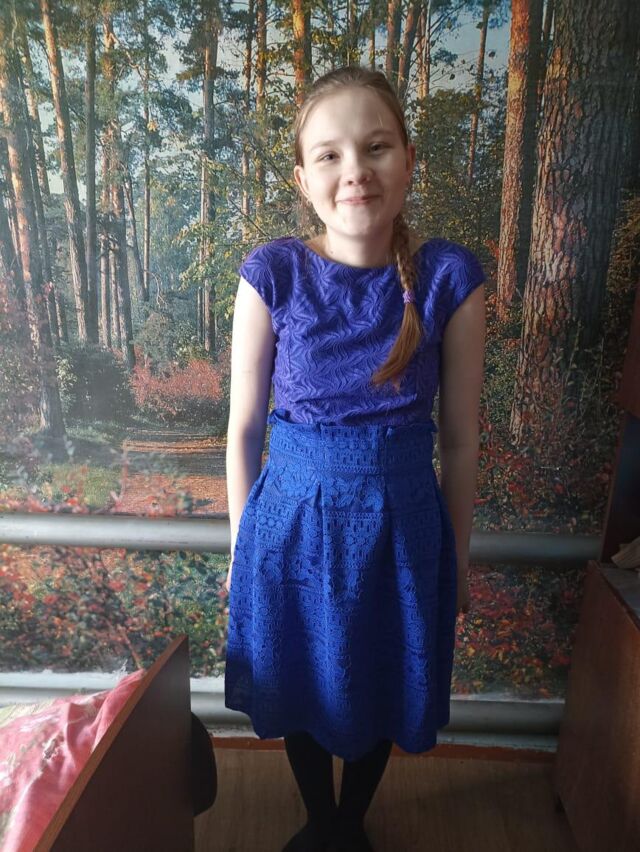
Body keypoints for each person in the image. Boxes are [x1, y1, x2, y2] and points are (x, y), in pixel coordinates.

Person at [224, 65, 486, 852]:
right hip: (290, 527)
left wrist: (457, 555)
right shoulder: (272, 274)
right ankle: (320, 821)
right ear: (303, 179)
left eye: (376, 147)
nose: (356, 171)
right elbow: (243, 429)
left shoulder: (449, 279)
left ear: (408, 160)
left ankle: (351, 824)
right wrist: (241, 548)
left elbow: (460, 439)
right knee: (299, 676)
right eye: (330, 154)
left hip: (401, 532)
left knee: (381, 679)